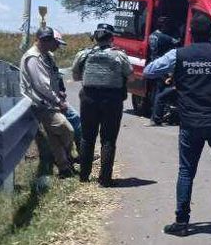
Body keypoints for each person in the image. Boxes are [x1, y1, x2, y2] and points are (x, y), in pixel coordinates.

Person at [143, 12, 211, 239]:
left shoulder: (178, 54)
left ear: (190, 32)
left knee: (186, 171)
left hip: (190, 123)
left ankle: (181, 222)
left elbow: (149, 71)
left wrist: (173, 72)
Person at [72, 23, 131, 186]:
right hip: (112, 99)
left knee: (87, 137)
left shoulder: (84, 54)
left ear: (95, 37)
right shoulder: (119, 55)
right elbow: (130, 75)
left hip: (89, 98)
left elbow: (76, 76)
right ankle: (105, 179)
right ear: (112, 38)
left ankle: (84, 176)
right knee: (108, 139)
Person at [20, 27, 77, 178]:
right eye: (44, 40)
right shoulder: (33, 58)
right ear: (38, 40)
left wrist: (59, 92)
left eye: (49, 40)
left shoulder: (47, 55)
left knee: (54, 137)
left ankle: (64, 167)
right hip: (40, 103)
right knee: (66, 129)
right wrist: (58, 101)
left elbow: (53, 79)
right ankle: (66, 157)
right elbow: (42, 85)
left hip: (49, 101)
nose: (47, 42)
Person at [147, 16, 180, 126]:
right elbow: (177, 42)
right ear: (164, 26)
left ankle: (153, 114)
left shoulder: (152, 35)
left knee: (155, 91)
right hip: (162, 67)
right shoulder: (165, 37)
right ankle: (157, 117)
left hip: (153, 65)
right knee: (161, 93)